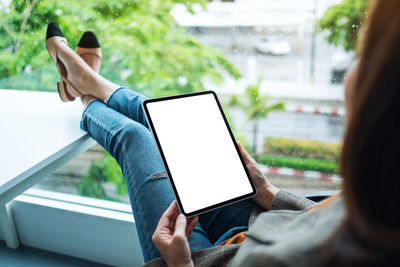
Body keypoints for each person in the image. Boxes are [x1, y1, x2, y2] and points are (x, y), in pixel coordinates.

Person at [45, 0, 400, 265]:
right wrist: (268, 190)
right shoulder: (383, 204)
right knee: (175, 120)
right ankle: (90, 84)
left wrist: (180, 264)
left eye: (362, 58)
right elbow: (330, 219)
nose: (351, 72)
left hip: (201, 256)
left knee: (137, 138)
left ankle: (82, 94)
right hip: (258, 219)